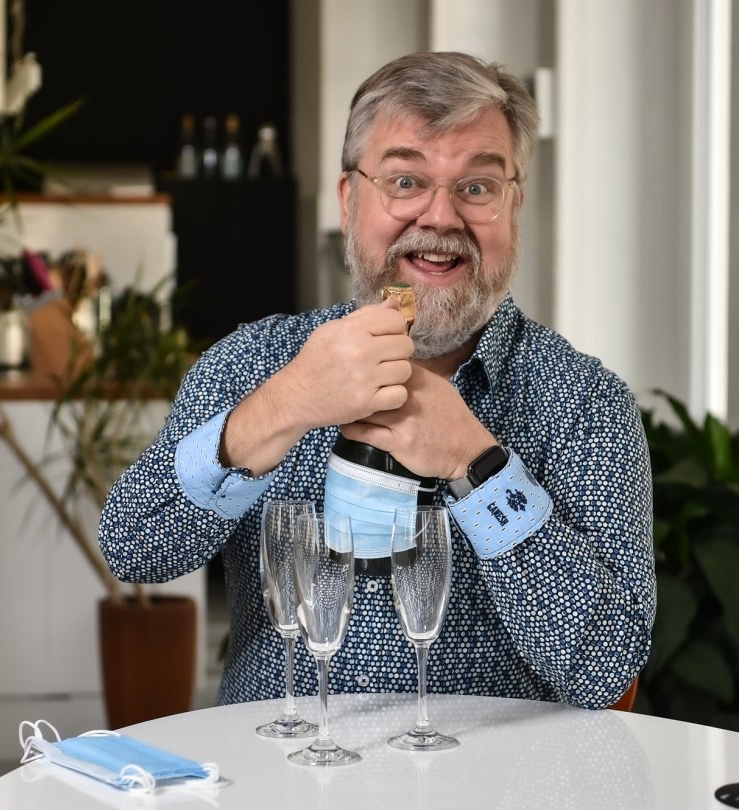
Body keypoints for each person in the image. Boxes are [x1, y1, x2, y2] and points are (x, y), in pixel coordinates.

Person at [99, 51, 656, 710]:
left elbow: (606, 667)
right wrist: (285, 404)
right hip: (275, 781)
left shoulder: (586, 404)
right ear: (348, 199)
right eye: (404, 182)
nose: (441, 218)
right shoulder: (253, 361)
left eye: (477, 187)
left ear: (514, 207)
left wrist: (475, 464)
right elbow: (132, 549)